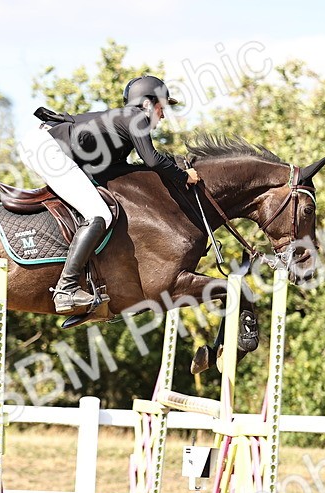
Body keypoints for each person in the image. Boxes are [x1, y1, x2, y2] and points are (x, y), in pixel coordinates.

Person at [18, 75, 200, 314]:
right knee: (99, 214)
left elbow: (120, 171)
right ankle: (66, 288)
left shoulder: (124, 126)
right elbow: (152, 160)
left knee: (96, 206)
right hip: (46, 148)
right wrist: (183, 176)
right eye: (161, 107)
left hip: (44, 144)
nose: (163, 115)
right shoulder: (136, 118)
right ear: (147, 103)